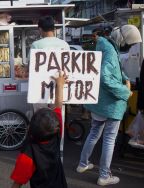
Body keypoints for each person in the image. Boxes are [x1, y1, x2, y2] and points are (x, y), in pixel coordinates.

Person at [77, 25, 142, 186]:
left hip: (99, 101)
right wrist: (125, 92)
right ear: (122, 39)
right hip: (111, 103)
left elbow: (113, 71)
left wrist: (125, 78)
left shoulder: (105, 45)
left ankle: (83, 164)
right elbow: (105, 77)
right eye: (130, 43)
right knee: (109, 139)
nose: (129, 47)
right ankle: (104, 176)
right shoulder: (111, 51)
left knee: (94, 133)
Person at [10, 71, 68, 188]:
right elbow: (58, 105)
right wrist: (60, 85)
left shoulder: (28, 153)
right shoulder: (56, 134)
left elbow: (18, 183)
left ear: (29, 128)